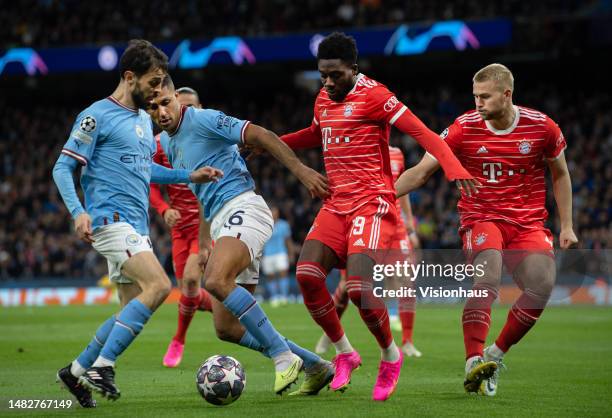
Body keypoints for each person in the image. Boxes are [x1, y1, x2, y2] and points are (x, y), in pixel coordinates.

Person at [278, 32, 475, 401]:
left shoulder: (376, 96)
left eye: (336, 75)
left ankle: (390, 354)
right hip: (336, 202)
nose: (328, 82)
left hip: (373, 202)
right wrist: (273, 143)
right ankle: (345, 353)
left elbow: (423, 133)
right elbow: (314, 135)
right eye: (323, 75)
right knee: (306, 275)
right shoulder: (323, 97)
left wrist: (453, 166)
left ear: (354, 69)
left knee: (357, 288)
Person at [52, 40, 222, 406]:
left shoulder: (143, 122)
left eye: (162, 82)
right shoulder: (96, 115)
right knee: (160, 286)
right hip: (109, 220)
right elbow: (62, 167)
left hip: (135, 227)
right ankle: (103, 365)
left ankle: (76, 372)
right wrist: (77, 211)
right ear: (130, 78)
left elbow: (148, 171)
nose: (160, 90)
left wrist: (189, 175)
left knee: (127, 311)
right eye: (154, 81)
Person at [395, 63, 578, 396]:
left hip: (527, 223)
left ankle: (494, 356)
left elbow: (561, 174)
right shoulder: (463, 128)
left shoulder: (543, 128)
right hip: (482, 219)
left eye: (485, 97)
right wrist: (379, 196)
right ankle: (472, 360)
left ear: (506, 95)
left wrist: (566, 224)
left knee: (542, 284)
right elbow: (421, 172)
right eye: (475, 96)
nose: (477, 103)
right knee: (488, 278)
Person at [146, 75, 334, 396]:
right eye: (152, 107)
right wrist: (205, 241)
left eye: (165, 102)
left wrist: (301, 171)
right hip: (222, 223)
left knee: (216, 281)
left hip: (246, 208)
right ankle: (315, 365)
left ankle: (282, 356)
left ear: (176, 97)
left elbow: (261, 135)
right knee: (227, 329)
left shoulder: (204, 119)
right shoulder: (166, 143)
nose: (161, 111)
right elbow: (203, 195)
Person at [314, 146, 423, 358]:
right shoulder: (358, 148)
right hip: (364, 220)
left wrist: (409, 223)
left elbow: (403, 187)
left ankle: (408, 341)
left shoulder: (397, 154)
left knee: (405, 280)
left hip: (394, 222)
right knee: (349, 286)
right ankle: (329, 334)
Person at [149, 87, 214, 368]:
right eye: (181, 106)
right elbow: (149, 182)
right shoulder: (160, 144)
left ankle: (178, 340)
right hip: (180, 231)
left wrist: (207, 236)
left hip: (206, 226)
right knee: (191, 295)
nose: (185, 113)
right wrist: (164, 209)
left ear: (200, 108)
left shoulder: (210, 141)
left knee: (189, 281)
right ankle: (228, 309)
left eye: (192, 107)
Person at [261, 205, 294, 306]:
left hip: (281, 253)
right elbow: (261, 242)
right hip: (268, 254)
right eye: (272, 211)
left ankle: (284, 297)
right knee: (270, 276)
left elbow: (288, 241)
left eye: (276, 212)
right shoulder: (264, 226)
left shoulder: (284, 225)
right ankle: (274, 297)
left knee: (283, 273)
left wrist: (291, 254)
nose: (274, 214)